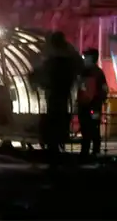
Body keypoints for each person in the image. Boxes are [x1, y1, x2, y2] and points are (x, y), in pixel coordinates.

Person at [33, 32, 80, 163]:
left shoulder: (50, 63)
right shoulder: (69, 61)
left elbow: (38, 77)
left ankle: (53, 154)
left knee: (52, 124)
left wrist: (40, 83)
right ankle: (57, 151)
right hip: (63, 99)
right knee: (59, 124)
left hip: (53, 99)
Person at [77, 48, 109, 158]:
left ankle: (89, 152)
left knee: (90, 129)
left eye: (86, 57)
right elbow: (104, 89)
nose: (84, 59)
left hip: (90, 106)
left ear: (92, 58)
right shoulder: (96, 73)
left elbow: (103, 90)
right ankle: (92, 151)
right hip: (90, 106)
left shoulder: (90, 73)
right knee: (90, 129)